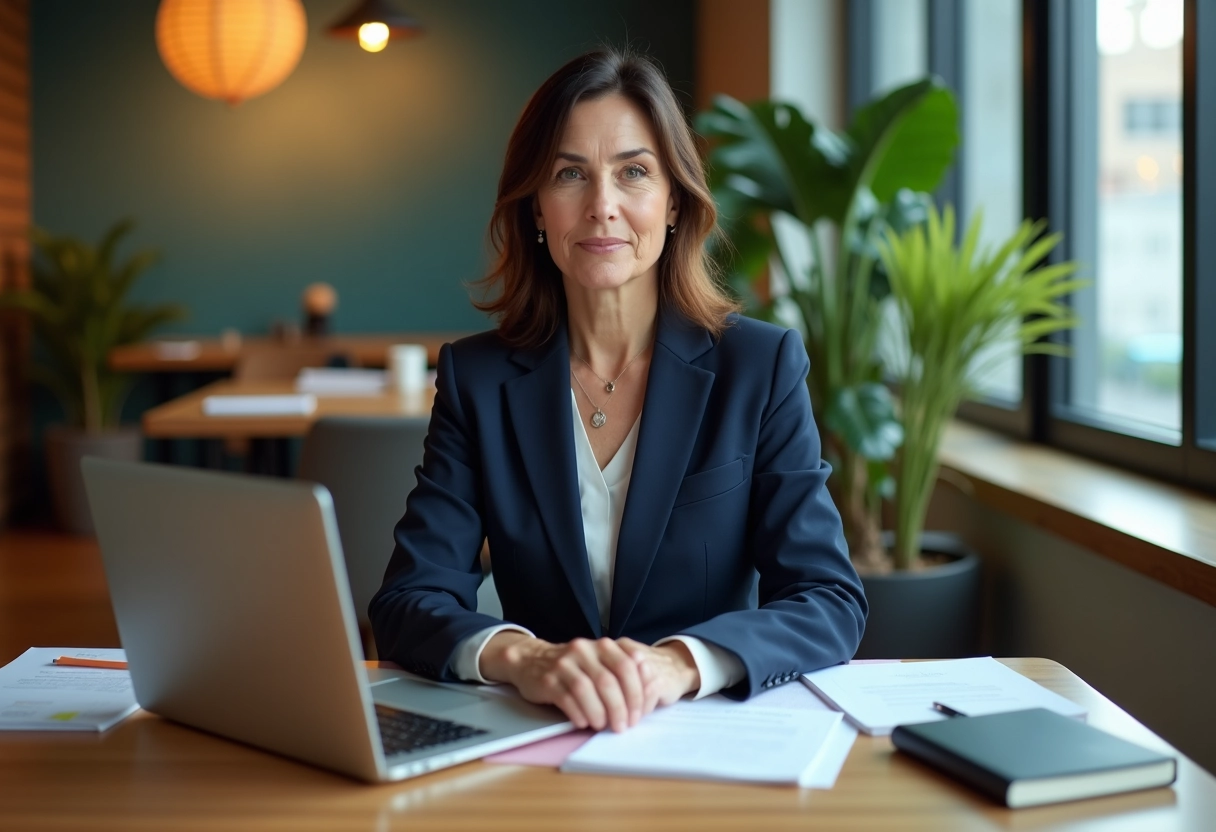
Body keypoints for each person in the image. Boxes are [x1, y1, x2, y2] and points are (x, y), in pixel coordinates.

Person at [370, 48, 866, 735]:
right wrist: (525, 657)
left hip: (712, 739)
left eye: (633, 172)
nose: (602, 206)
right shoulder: (477, 380)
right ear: (537, 209)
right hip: (539, 741)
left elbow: (827, 599)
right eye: (570, 174)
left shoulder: (760, 366)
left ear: (672, 203)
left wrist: (678, 664)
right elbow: (407, 600)